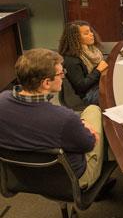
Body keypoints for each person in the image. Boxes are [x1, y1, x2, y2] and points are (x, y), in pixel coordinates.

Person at [0, 49, 105, 189]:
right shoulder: (64, 118)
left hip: (23, 177)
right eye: (60, 74)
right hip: (71, 182)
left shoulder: (2, 99)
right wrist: (85, 127)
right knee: (93, 110)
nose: (63, 77)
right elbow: (88, 145)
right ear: (46, 83)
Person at [58, 21, 108, 105]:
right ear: (75, 38)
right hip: (87, 95)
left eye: (91, 31)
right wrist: (98, 70)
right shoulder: (71, 59)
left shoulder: (92, 50)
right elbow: (81, 86)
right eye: (86, 33)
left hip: (95, 85)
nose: (91, 34)